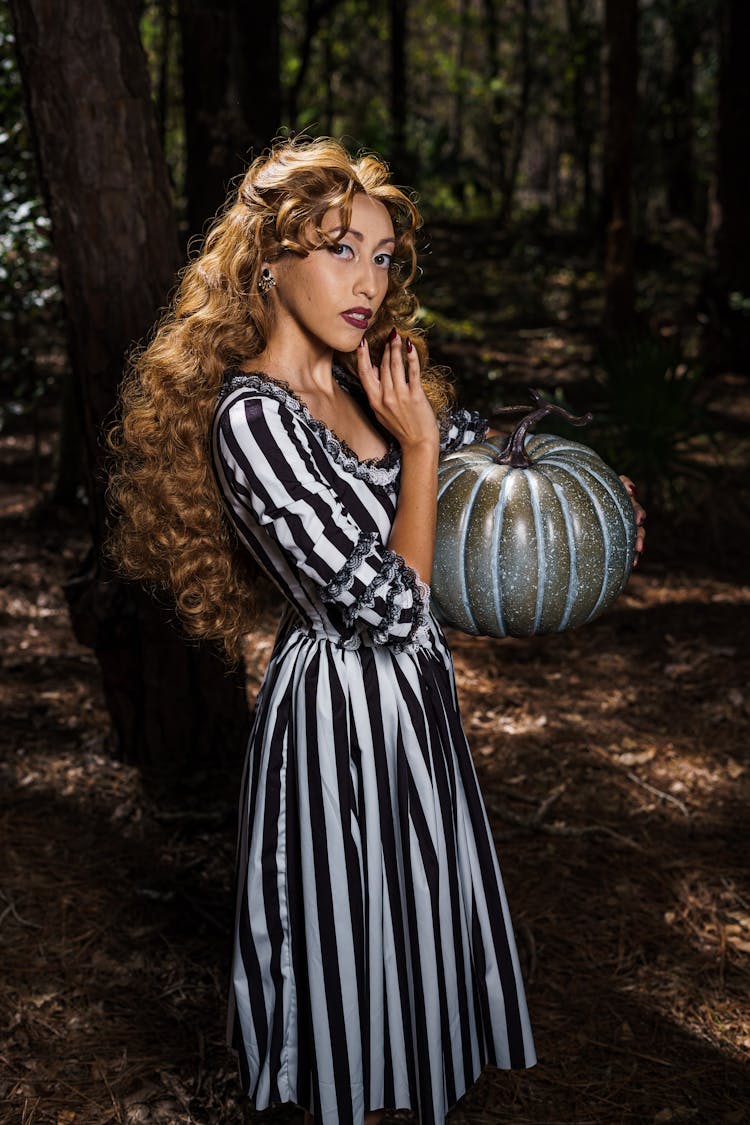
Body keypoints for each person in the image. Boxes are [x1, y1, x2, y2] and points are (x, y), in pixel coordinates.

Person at [105, 135, 645, 1125]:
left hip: (414, 700)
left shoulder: (363, 384)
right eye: (341, 248)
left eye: (385, 254)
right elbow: (389, 601)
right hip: (337, 712)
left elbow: (489, 490)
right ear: (268, 262)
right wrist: (425, 447)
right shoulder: (252, 419)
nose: (370, 277)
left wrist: (594, 517)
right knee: (349, 935)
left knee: (417, 916)